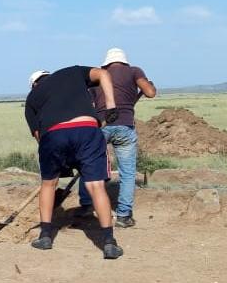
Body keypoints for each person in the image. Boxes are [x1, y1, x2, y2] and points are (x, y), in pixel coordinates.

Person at [24, 67, 124, 259]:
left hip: (52, 137)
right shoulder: (72, 72)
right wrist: (111, 107)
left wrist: (60, 161)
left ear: (34, 84)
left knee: (48, 184)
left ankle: (45, 236)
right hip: (87, 129)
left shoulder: (32, 97)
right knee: (96, 186)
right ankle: (109, 243)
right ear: (49, 76)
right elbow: (103, 74)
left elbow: (39, 136)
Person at [75, 48, 157, 227]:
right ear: (124, 61)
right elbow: (150, 92)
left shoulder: (97, 75)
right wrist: (151, 85)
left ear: (106, 62)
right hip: (125, 126)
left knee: (87, 166)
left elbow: (88, 103)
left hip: (100, 126)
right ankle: (124, 216)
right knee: (127, 174)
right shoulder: (134, 71)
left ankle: (87, 206)